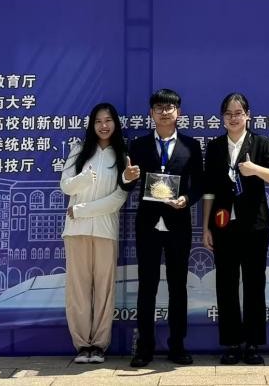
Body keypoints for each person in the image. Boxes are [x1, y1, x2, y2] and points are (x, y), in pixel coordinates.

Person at [119, 89, 204, 367]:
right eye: (159, 108)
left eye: (170, 107)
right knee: (147, 285)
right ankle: (144, 348)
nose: (165, 112)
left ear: (179, 112)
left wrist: (187, 199)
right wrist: (127, 177)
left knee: (178, 286)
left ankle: (177, 346)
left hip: (179, 223)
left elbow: (199, 184)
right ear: (151, 113)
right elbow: (127, 185)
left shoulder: (191, 146)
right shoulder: (138, 145)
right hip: (147, 224)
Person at [201, 92, 269, 365]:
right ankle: (232, 343)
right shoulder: (215, 147)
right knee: (225, 285)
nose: (233, 118)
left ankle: (252, 344)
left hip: (254, 227)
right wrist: (206, 227)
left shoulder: (260, 143)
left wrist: (255, 169)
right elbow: (209, 190)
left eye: (238, 113)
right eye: (228, 113)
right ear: (222, 118)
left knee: (254, 284)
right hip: (223, 225)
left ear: (248, 115)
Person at [59, 103, 130, 364]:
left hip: (104, 230)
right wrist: (84, 179)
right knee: (78, 289)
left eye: (108, 120)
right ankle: (82, 345)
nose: (103, 125)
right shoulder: (79, 150)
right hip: (75, 231)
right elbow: (65, 186)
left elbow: (118, 198)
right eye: (98, 121)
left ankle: (99, 345)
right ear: (92, 125)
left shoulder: (122, 154)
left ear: (115, 124)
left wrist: (81, 210)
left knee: (104, 289)